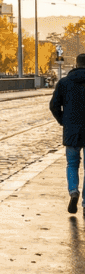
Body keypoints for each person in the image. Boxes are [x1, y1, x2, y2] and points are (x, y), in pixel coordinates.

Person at [50, 53, 85, 213]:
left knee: (72, 163)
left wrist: (64, 121)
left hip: (72, 131)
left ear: (76, 64)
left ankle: (73, 192)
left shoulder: (64, 82)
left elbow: (54, 106)